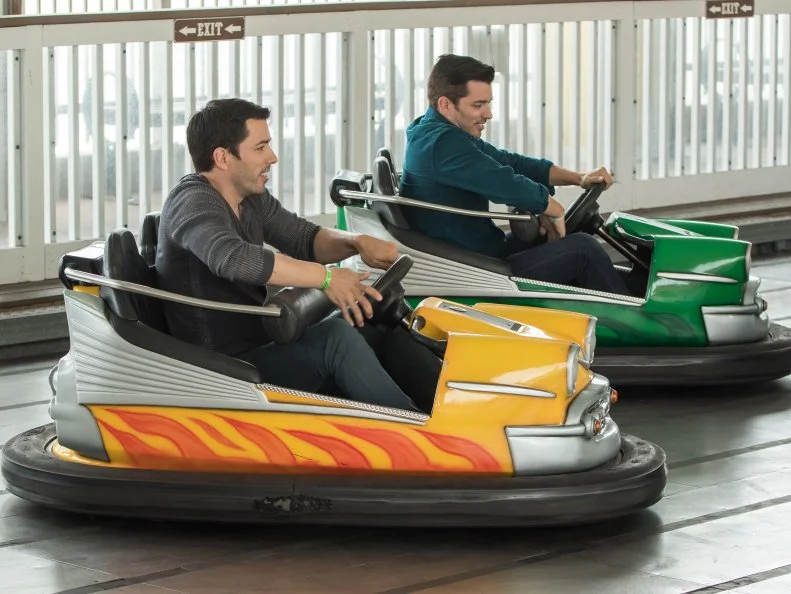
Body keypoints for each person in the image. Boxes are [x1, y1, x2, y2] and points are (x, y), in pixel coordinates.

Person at [156, 98, 422, 411]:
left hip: (260, 343)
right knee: (336, 340)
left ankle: (437, 410)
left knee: (372, 319)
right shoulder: (192, 200)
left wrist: (356, 242)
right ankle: (428, 439)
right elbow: (232, 258)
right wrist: (326, 278)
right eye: (260, 147)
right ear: (223, 157)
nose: (273, 157)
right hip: (225, 367)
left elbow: (304, 239)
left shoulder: (249, 197)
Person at [399, 54, 632, 296]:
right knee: (584, 249)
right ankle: (640, 329)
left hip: (480, 253)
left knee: (561, 238)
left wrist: (578, 178)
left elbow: (509, 163)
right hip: (473, 271)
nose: (488, 114)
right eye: (478, 105)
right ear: (446, 104)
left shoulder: (437, 132)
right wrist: (551, 207)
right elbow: (502, 182)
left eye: (488, 103)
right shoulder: (441, 144)